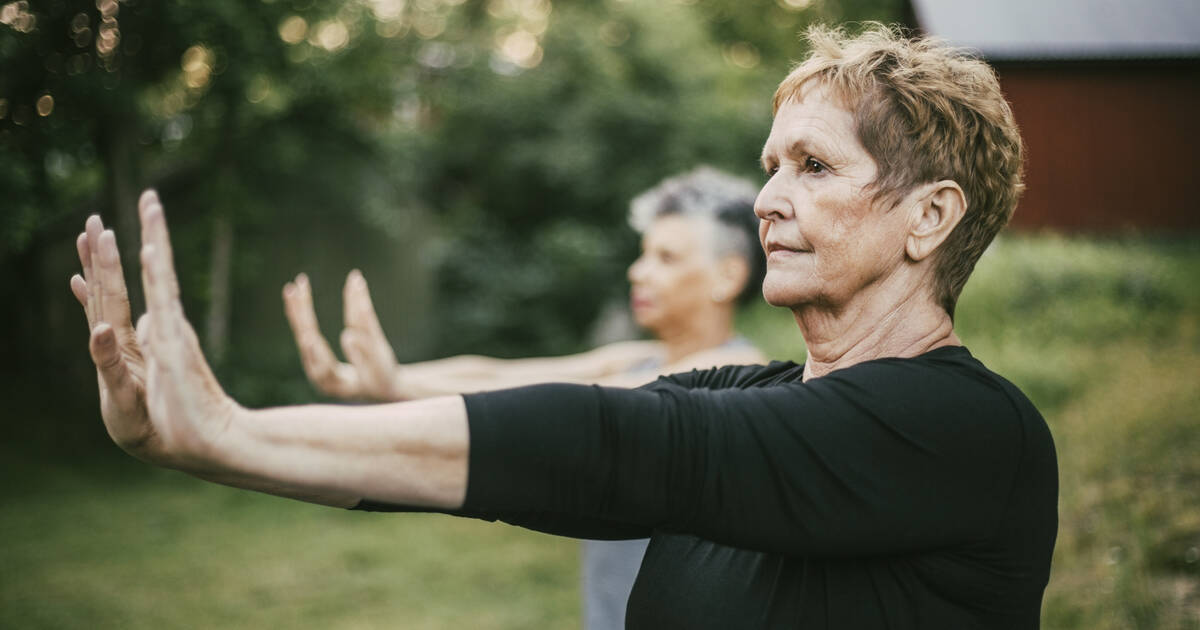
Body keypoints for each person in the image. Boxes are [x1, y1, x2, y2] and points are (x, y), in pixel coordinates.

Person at [70, 23, 1057, 629]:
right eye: (769, 164)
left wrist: (231, 430)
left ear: (928, 216)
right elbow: (547, 430)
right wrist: (205, 436)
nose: (765, 198)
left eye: (813, 166)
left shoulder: (969, 431)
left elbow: (618, 448)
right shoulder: (745, 397)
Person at [277, 166, 767, 630]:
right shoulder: (637, 357)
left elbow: (573, 406)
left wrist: (395, 387)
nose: (638, 272)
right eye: (642, 254)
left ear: (727, 276)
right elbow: (499, 373)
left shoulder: (738, 378)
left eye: (666, 258)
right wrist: (377, 379)